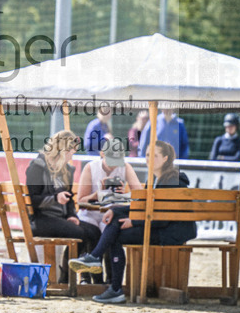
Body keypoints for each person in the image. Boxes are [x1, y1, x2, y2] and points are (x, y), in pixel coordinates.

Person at [68, 140, 197, 303]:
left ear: (165, 158)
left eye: (154, 156)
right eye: (148, 155)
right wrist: (115, 210)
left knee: (116, 230)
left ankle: (109, 280)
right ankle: (106, 276)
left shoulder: (174, 180)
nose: (149, 159)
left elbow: (162, 218)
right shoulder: (161, 178)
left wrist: (134, 221)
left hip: (171, 233)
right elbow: (146, 206)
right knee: (115, 221)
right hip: (162, 227)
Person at [26, 130, 101, 279]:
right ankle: (66, 277)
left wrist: (72, 215)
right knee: (79, 233)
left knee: (94, 232)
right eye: (69, 152)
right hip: (41, 218)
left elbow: (69, 198)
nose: (71, 156)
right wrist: (55, 198)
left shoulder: (67, 170)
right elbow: (32, 199)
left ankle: (92, 279)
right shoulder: (37, 166)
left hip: (59, 218)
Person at [73, 137, 142, 284]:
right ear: (102, 154)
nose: (113, 167)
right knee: (92, 232)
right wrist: (98, 193)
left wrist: (125, 192)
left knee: (111, 233)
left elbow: (140, 195)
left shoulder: (125, 167)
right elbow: (81, 201)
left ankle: (110, 280)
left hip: (111, 214)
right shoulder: (91, 167)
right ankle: (89, 277)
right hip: (90, 213)